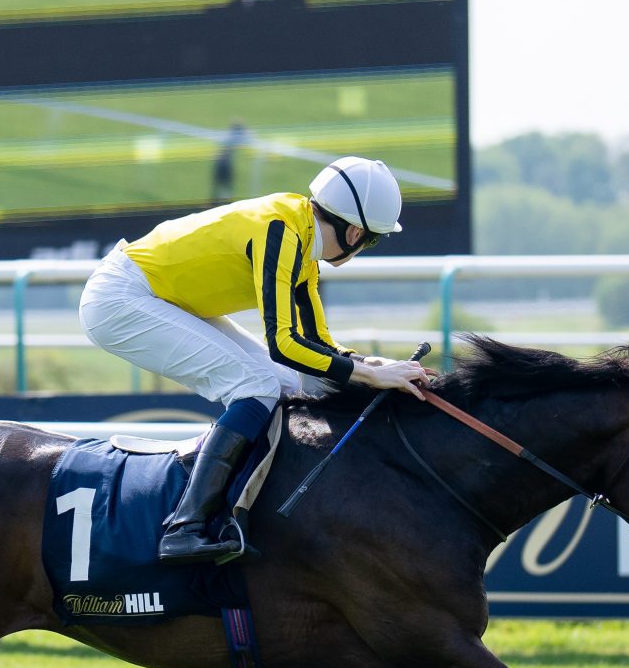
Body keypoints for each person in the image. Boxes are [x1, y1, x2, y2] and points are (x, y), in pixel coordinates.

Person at [80, 156, 430, 564]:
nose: (365, 247)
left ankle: (242, 504)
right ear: (354, 232)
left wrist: (374, 366)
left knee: (283, 382)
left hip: (157, 295)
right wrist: (366, 374)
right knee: (258, 384)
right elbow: (283, 343)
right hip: (121, 298)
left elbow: (317, 344)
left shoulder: (302, 240)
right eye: (372, 240)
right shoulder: (281, 231)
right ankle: (186, 525)